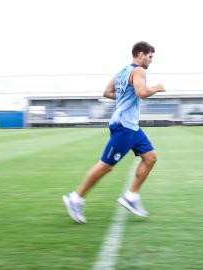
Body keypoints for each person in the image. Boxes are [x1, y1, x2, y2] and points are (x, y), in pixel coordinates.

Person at [63, 41, 165, 224]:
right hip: (124, 126)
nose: (151, 60)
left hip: (132, 127)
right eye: (150, 56)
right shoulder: (139, 71)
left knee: (151, 157)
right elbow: (141, 92)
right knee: (106, 165)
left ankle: (131, 196)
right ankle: (75, 198)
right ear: (140, 54)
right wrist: (156, 88)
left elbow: (107, 92)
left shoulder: (122, 72)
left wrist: (127, 94)